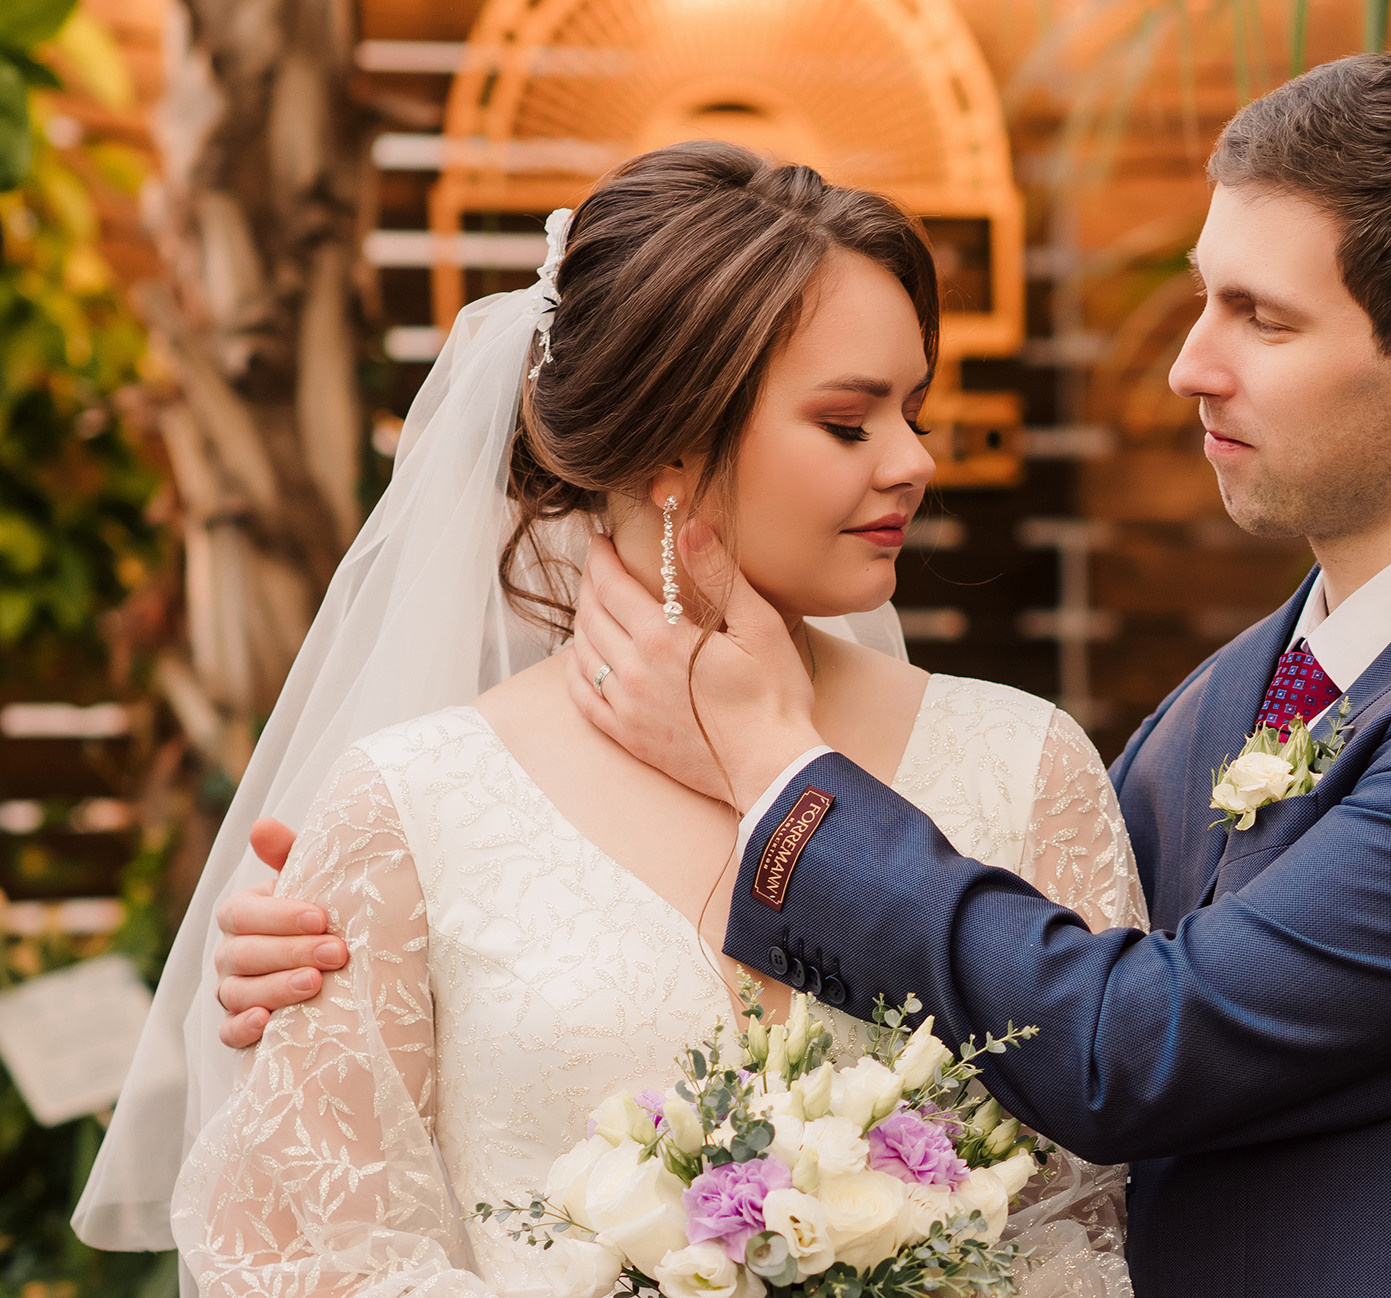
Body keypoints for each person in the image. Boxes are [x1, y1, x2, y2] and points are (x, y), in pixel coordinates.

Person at [214, 54, 1391, 1297]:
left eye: (1258, 318)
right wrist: (310, 955)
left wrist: (778, 771)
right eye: (1207, 296)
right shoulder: (1238, 688)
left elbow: (1130, 1042)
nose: (1188, 364)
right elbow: (1033, 939)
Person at [77, 142, 1141, 1297]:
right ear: (671, 454)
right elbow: (303, 1258)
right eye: (849, 423)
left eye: (913, 409)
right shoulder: (413, 801)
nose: (915, 460)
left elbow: (1088, 1219)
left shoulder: (1023, 762)